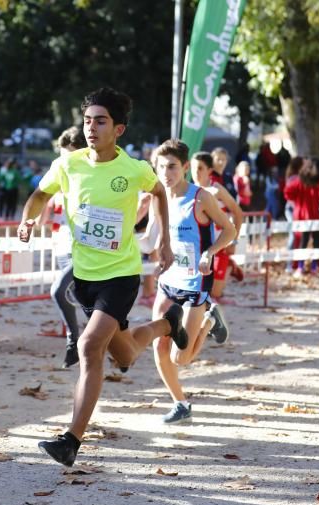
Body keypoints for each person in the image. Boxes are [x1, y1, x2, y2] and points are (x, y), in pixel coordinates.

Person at [16, 87, 186, 467]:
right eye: (88, 120)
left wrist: (163, 242)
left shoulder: (134, 170)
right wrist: (30, 219)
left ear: (119, 129)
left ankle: (71, 440)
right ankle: (166, 325)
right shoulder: (69, 164)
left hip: (121, 275)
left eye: (101, 121)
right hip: (85, 277)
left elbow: (159, 192)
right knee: (123, 352)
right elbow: (39, 195)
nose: (91, 127)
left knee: (90, 346)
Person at [150, 141, 236, 424]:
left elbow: (229, 228)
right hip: (168, 280)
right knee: (159, 348)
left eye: (172, 166)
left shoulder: (200, 198)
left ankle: (210, 321)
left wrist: (210, 252)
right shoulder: (158, 196)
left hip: (195, 282)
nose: (166, 172)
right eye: (161, 166)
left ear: (185, 167)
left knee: (180, 358)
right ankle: (180, 403)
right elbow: (150, 237)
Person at [43, 126, 87, 368]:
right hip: (62, 248)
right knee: (81, 299)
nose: (63, 163)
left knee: (58, 290)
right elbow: (42, 212)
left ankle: (73, 341)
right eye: (61, 156)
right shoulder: (57, 182)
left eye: (68, 157)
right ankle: (115, 342)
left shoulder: (92, 182)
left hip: (85, 252)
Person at [190, 153, 244, 304]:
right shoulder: (188, 190)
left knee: (214, 294)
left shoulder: (216, 189)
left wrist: (234, 241)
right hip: (197, 247)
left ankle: (229, 266)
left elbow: (238, 213)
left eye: (200, 168)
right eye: (193, 168)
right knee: (199, 293)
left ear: (210, 170)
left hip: (219, 245)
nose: (196, 172)